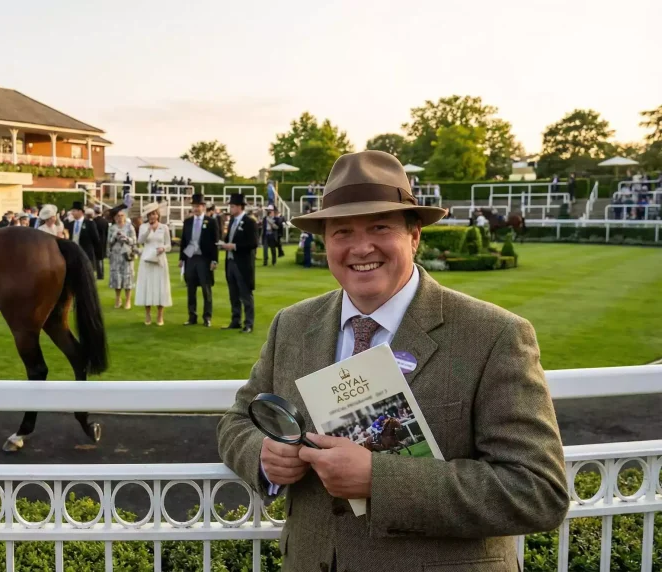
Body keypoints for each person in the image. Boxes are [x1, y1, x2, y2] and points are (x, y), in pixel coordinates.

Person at [216, 150, 567, 572]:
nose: (361, 247)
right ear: (325, 241)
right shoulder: (292, 325)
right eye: (342, 231)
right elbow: (238, 419)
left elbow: (538, 492)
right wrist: (264, 455)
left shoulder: (493, 335)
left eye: (380, 227)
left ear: (414, 235)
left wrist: (380, 480)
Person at [219, 193, 257, 333]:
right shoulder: (232, 222)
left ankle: (248, 323)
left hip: (243, 264)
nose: (231, 208)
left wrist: (234, 246)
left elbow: (253, 243)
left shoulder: (249, 222)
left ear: (240, 207)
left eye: (233, 206)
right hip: (230, 262)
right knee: (233, 293)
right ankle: (235, 320)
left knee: (245, 294)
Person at [179, 193, 218, 327]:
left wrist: (214, 260)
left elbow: (215, 242)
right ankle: (192, 316)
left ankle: (207, 317)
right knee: (191, 289)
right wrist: (181, 258)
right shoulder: (188, 222)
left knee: (206, 289)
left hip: (204, 258)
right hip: (190, 258)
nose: (196, 208)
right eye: (194, 206)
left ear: (203, 207)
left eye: (198, 206)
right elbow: (184, 241)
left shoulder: (211, 222)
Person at [134, 202, 172, 325]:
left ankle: (160, 315)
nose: (152, 217)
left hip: (160, 260)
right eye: (150, 215)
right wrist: (148, 230)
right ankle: (148, 314)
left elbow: (169, 245)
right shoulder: (143, 227)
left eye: (154, 214)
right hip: (147, 259)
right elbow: (140, 241)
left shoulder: (164, 227)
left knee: (160, 286)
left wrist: (163, 249)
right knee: (148, 286)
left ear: (158, 215)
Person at [108, 209, 136, 309]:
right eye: (118, 216)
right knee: (117, 278)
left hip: (127, 255)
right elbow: (108, 242)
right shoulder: (112, 228)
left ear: (125, 216)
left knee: (127, 278)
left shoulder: (130, 227)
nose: (120, 218)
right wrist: (114, 237)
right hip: (115, 256)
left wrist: (126, 238)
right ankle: (118, 298)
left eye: (121, 216)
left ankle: (128, 300)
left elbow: (134, 241)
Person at [66, 201, 101, 266]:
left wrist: (96, 254)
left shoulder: (89, 224)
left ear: (80, 212)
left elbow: (96, 239)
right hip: (73, 254)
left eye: (74, 211)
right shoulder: (70, 224)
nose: (72, 213)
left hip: (86, 254)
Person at [93, 206, 109, 280]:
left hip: (96, 242)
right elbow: (106, 233)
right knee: (101, 259)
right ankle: (101, 274)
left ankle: (99, 274)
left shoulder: (94, 221)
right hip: (103, 241)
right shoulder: (105, 221)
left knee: (97, 259)